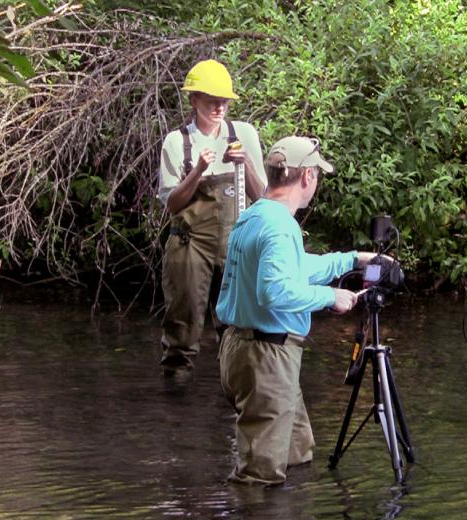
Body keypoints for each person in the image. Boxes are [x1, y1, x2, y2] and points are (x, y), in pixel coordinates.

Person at [215, 136, 379, 485]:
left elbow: (292, 267)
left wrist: (351, 260)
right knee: (259, 479)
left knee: (297, 455)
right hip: (266, 358)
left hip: (242, 349)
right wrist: (330, 297)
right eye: (317, 174)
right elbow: (275, 291)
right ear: (307, 176)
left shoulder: (255, 215)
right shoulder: (279, 225)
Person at [157, 59, 267, 376]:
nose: (219, 108)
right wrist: (198, 172)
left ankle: (234, 405)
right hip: (190, 245)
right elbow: (173, 205)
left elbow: (263, 197)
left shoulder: (243, 133)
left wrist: (244, 162)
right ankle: (174, 404)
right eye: (212, 101)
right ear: (193, 100)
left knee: (238, 330)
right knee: (183, 325)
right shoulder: (178, 142)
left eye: (224, 101)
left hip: (235, 245)